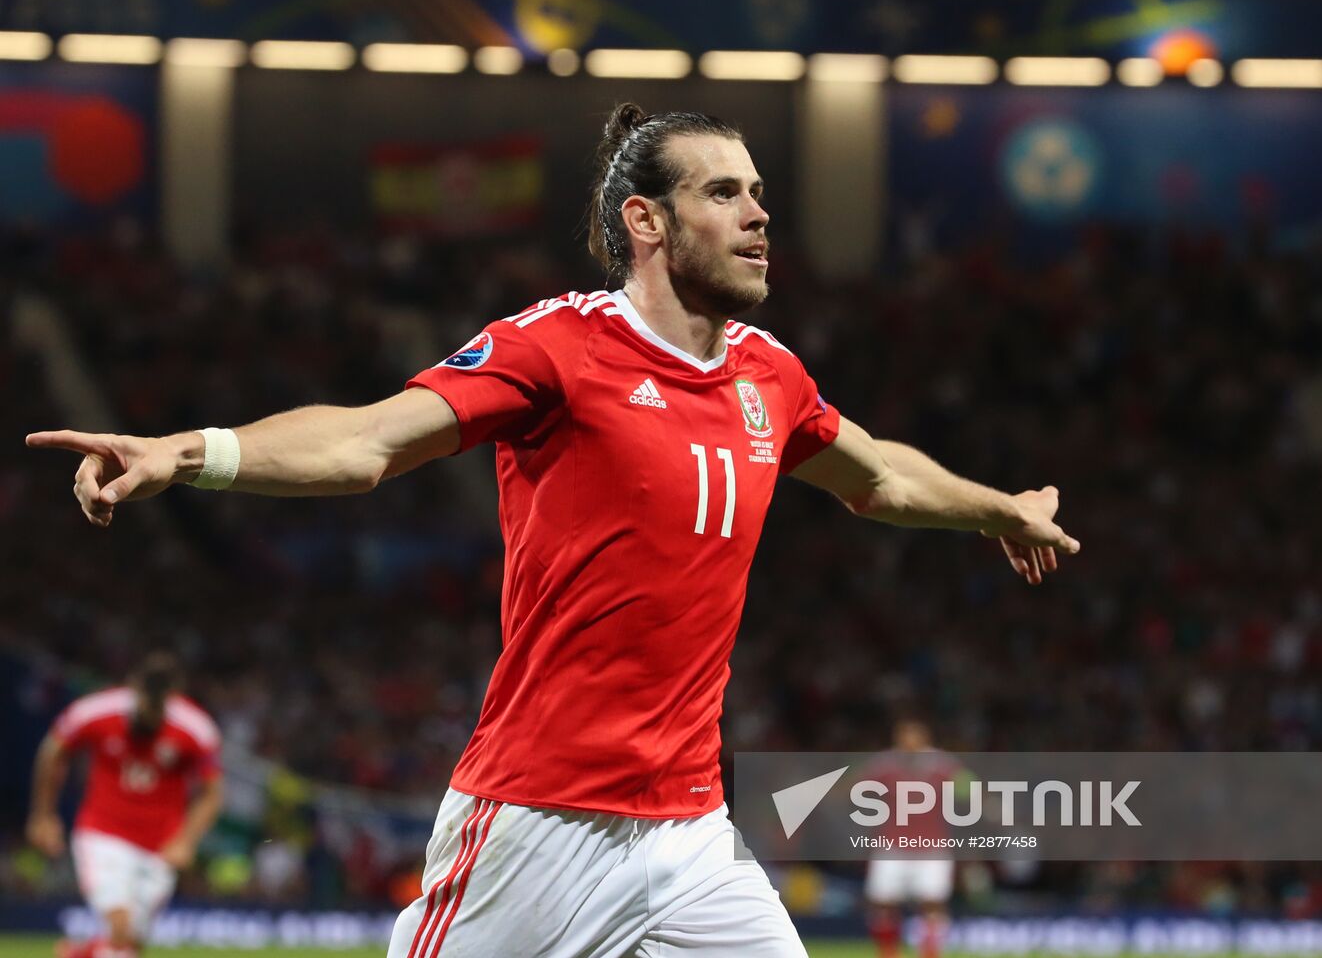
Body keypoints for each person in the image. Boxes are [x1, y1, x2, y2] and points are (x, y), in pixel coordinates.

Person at [26, 102, 1078, 956]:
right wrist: (188, 451)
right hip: (539, 822)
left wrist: (1002, 508)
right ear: (646, 221)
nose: (759, 214)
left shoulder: (771, 375)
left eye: (758, 191)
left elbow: (879, 475)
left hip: (690, 832)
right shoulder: (558, 348)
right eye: (724, 192)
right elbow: (367, 441)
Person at [26, 650, 223, 958]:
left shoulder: (196, 728)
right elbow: (53, 751)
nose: (148, 716)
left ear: (172, 699)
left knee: (130, 943)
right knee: (120, 927)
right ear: (133, 689)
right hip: (103, 834)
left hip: (160, 845)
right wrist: (42, 815)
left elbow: (212, 793)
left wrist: (186, 840)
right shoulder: (96, 710)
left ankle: (77, 955)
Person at [862, 718, 963, 958]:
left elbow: (970, 788)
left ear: (925, 739)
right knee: (882, 902)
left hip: (931, 847)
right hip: (892, 845)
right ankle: (888, 954)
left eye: (914, 736)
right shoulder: (884, 764)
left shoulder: (944, 765)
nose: (909, 742)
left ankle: (930, 953)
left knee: (933, 902)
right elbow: (858, 789)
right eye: (904, 736)